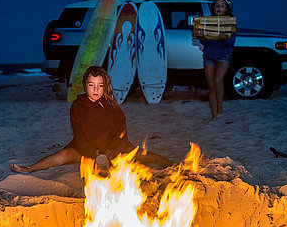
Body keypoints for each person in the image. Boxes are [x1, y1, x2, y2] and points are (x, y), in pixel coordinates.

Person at [10, 66, 173, 173]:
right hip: (84, 147)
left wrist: (111, 152)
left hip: (112, 147)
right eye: (91, 85)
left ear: (105, 86)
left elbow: (120, 132)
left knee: (144, 155)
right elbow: (79, 133)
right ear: (85, 85)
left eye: (100, 85)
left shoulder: (111, 106)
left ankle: (173, 165)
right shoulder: (77, 106)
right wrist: (93, 153)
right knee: (62, 156)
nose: (96, 89)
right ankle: (29, 169)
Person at [193, 0, 236, 119]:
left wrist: (225, 39)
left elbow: (231, 42)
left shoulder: (230, 22)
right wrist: (202, 38)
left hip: (223, 54)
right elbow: (207, 43)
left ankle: (220, 111)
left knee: (218, 80)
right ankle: (214, 113)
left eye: (222, 6)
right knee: (211, 85)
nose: (219, 8)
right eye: (217, 5)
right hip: (209, 55)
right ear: (214, 8)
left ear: (226, 9)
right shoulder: (207, 21)